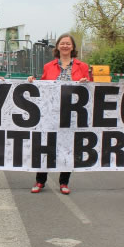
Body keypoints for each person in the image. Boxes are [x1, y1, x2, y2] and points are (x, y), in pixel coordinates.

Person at [27, 33, 92, 195]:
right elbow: (43, 86)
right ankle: (40, 181)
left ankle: (64, 182)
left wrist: (86, 83)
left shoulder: (82, 66)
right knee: (46, 146)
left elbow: (91, 87)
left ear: (73, 47)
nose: (65, 46)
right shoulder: (49, 66)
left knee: (67, 147)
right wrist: (32, 82)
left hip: (72, 114)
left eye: (68, 44)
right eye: (62, 43)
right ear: (57, 47)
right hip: (51, 113)